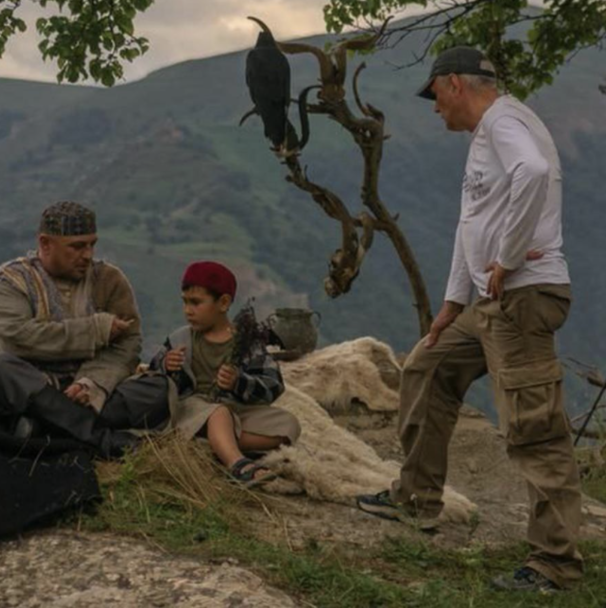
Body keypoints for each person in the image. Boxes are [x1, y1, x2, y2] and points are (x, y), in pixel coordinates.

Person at [355, 47, 582, 593]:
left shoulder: (505, 121)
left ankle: (555, 563)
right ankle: (417, 498)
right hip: (488, 302)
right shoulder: (485, 135)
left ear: (455, 83)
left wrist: (507, 257)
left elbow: (535, 171)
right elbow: (470, 225)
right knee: (427, 367)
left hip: (521, 297)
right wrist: (452, 306)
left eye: (434, 95)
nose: (434, 109)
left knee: (533, 427)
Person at [0, 201, 170, 457]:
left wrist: (92, 383)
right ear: (45, 244)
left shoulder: (108, 280)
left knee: (158, 388)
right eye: (77, 246)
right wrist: (95, 331)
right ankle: (100, 438)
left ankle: (43, 426)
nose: (88, 255)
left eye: (92, 244)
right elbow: (18, 339)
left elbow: (128, 343)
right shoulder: (8, 283)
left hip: (80, 389)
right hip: (27, 386)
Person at [147, 261, 300, 486]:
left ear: (224, 303)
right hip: (192, 410)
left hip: (234, 411)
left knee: (288, 426)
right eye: (185, 302)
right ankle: (238, 464)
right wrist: (167, 366)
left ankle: (214, 444)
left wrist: (239, 382)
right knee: (218, 413)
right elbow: (153, 376)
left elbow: (273, 385)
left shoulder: (247, 344)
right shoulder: (180, 339)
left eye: (196, 303)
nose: (187, 310)